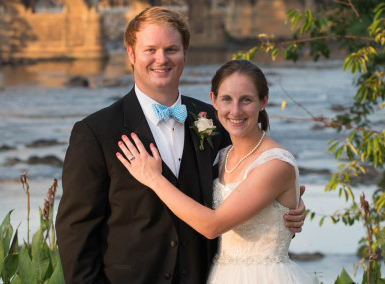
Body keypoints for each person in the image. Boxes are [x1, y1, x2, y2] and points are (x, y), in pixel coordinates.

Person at [56, 7, 306, 284]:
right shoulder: (95, 133)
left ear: (185, 54)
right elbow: (76, 231)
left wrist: (288, 209)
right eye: (150, 49)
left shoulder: (216, 120)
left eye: (171, 49)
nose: (161, 59)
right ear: (131, 54)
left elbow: (247, 182)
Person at [116, 59, 316, 283]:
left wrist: (154, 178)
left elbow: (213, 226)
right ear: (213, 101)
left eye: (246, 100)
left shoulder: (275, 163)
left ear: (264, 101)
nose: (236, 110)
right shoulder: (222, 154)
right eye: (227, 99)